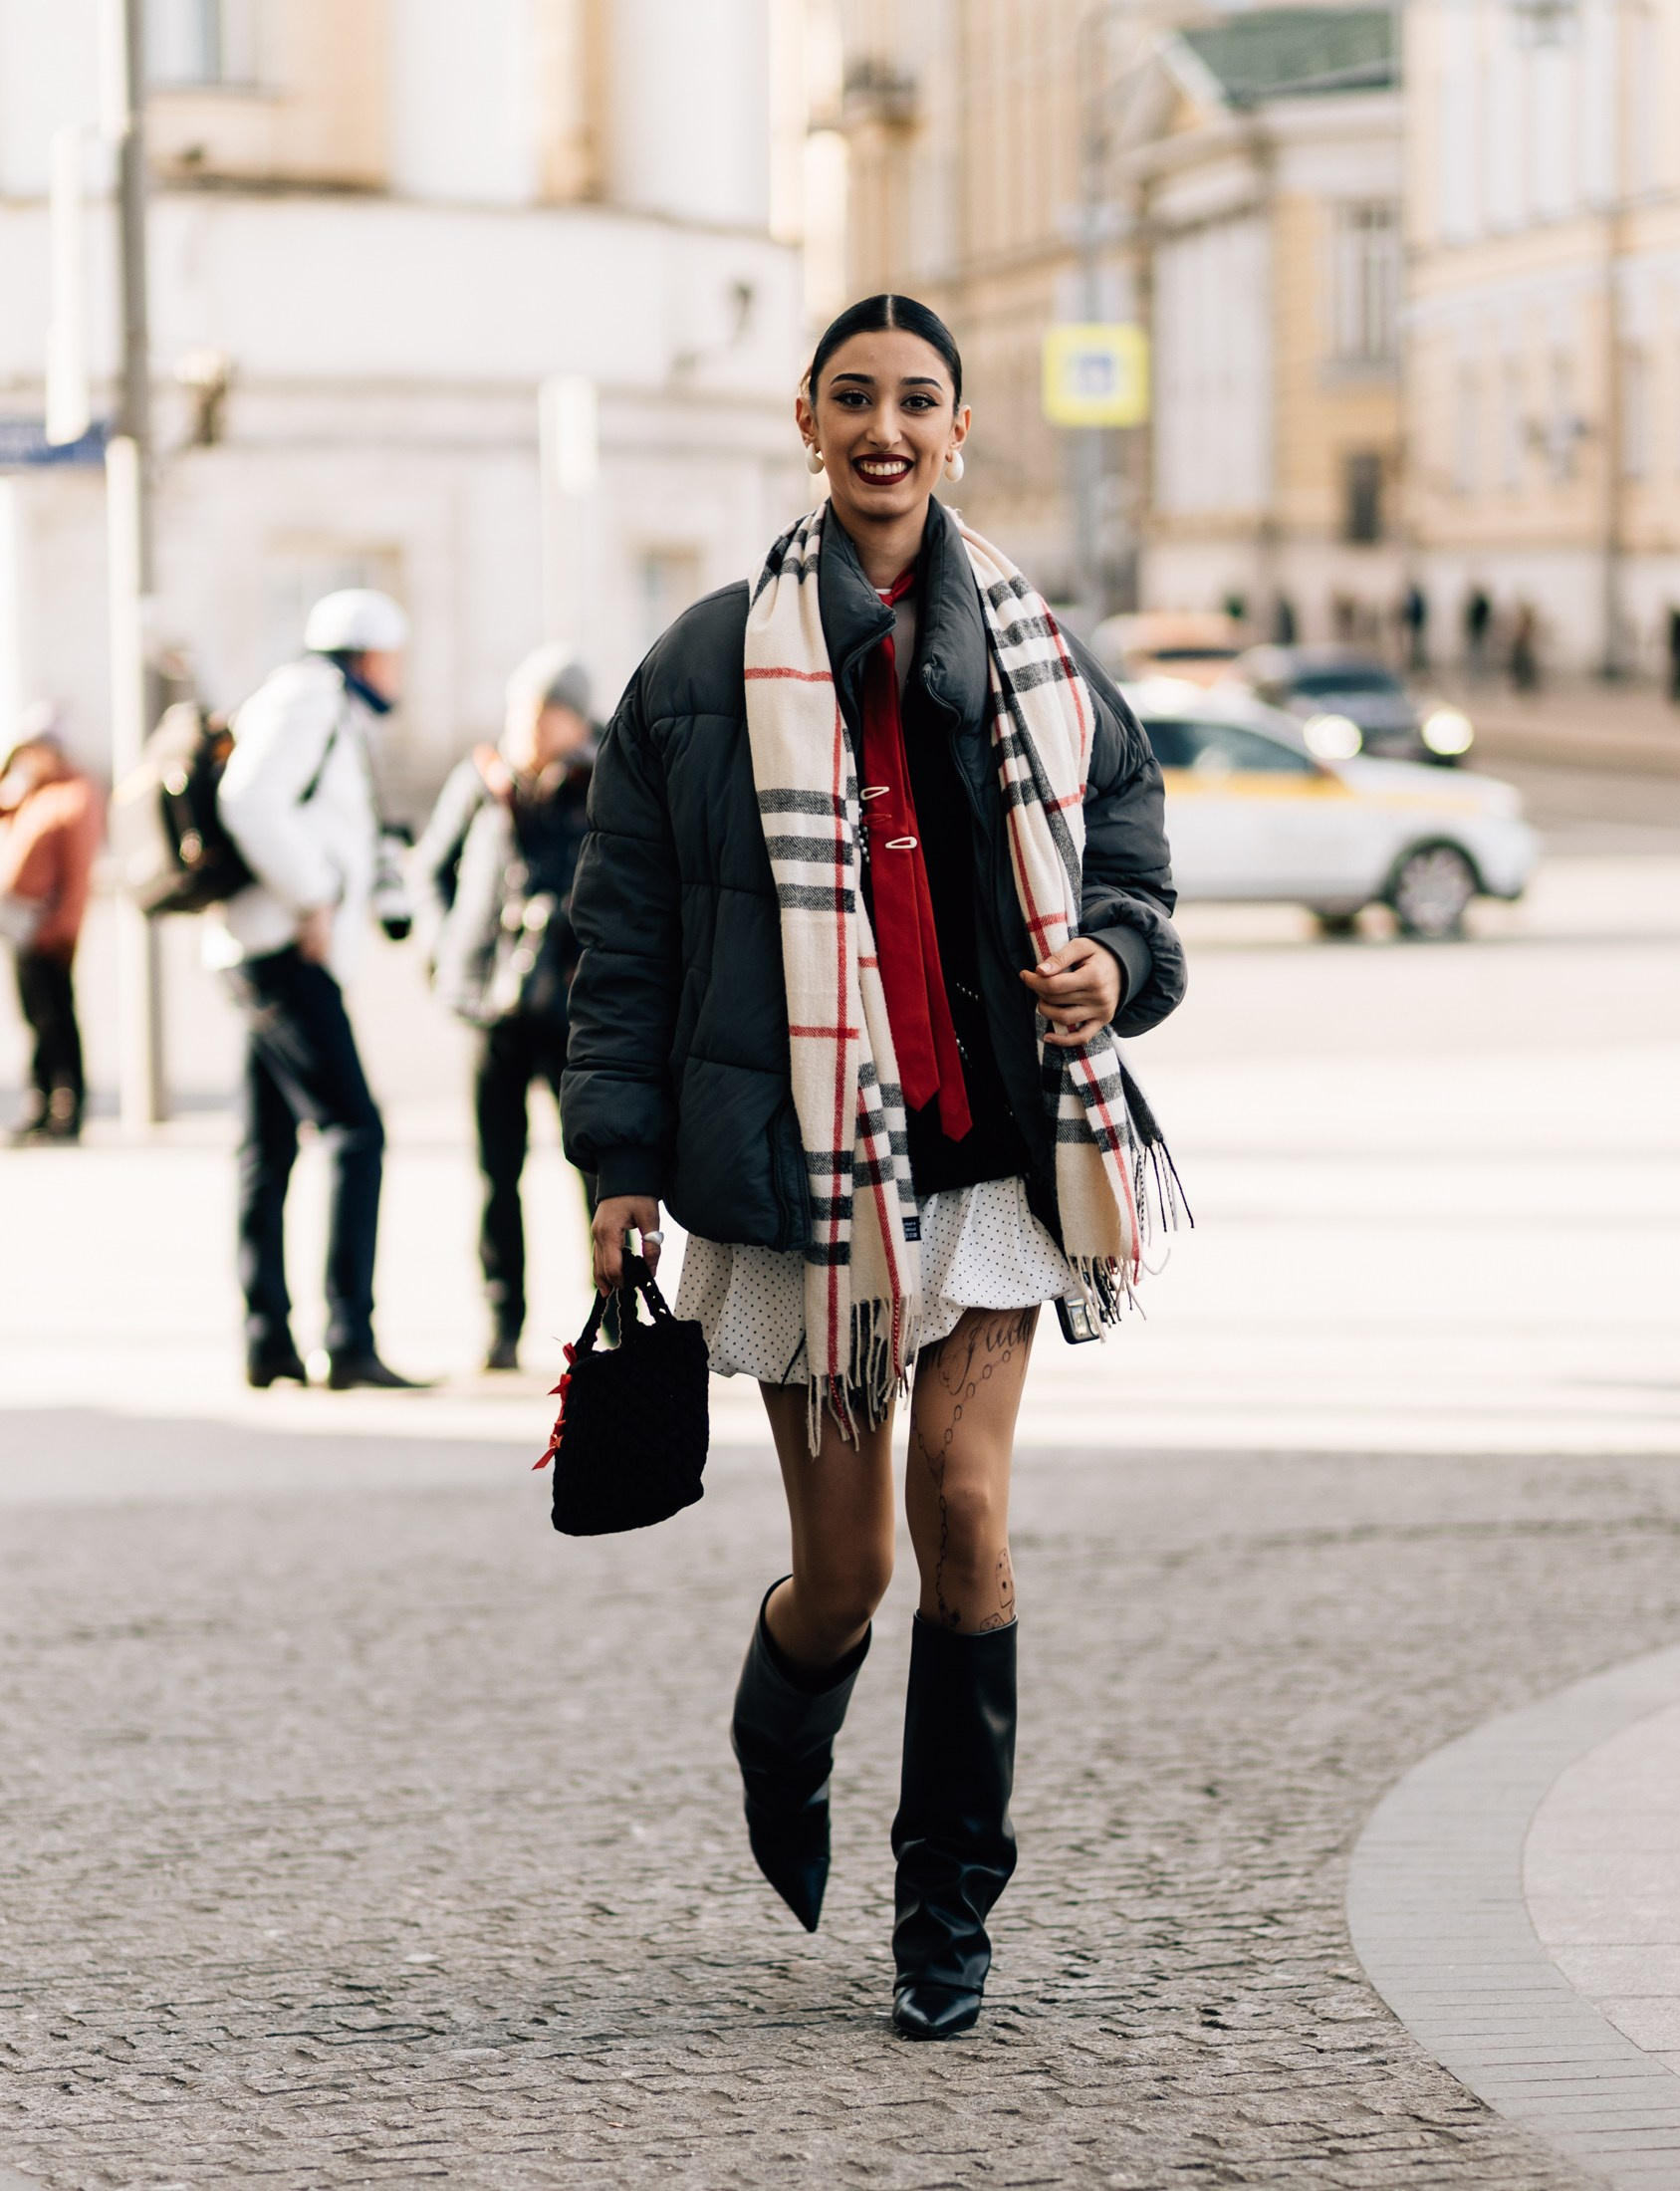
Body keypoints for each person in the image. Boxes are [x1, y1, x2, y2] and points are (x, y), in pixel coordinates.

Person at [563, 294, 1187, 2041]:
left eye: (919, 401)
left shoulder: (1041, 653)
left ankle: (946, 1910)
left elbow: (1131, 854)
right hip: (802, 1172)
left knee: (966, 1518)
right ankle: (784, 1733)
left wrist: (1114, 963)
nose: (887, 428)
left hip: (993, 1152)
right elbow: (617, 934)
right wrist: (617, 1155)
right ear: (807, 420)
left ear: (962, 430)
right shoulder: (699, 667)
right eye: (856, 399)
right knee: (845, 1574)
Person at [205, 589, 426, 1391]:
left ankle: (269, 1341)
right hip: (282, 952)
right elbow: (248, 800)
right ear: (366, 655)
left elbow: (346, 827)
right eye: (394, 658)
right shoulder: (308, 698)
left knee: (267, 1147)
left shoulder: (325, 706)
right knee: (355, 1131)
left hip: (267, 952)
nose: (399, 674)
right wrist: (312, 896)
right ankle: (348, 1339)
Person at [410, 646, 596, 1371]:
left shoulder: (604, 777)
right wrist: (441, 947)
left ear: (574, 717)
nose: (527, 724)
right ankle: (501, 1322)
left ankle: (610, 1322)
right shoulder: (482, 778)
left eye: (544, 711)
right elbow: (429, 869)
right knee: (496, 1173)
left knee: (594, 1172)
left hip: (578, 1009)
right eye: (522, 708)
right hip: (493, 1005)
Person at [0, 707, 103, 1144]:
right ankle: (41, 1102)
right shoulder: (36, 793)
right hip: (23, 924)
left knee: (56, 1019)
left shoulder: (76, 793)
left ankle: (67, 1106)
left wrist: (63, 928)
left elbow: (78, 874)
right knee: (35, 1018)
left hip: (49, 926)